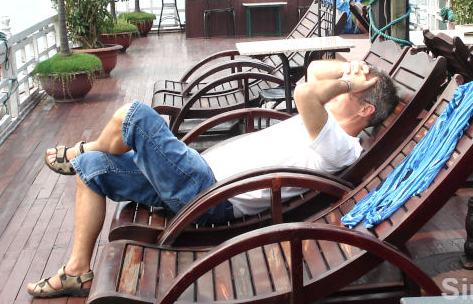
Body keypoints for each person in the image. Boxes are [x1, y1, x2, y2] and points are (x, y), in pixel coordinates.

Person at [26, 58, 400, 298]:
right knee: (92, 169)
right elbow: (316, 70)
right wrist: (354, 69)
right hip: (197, 176)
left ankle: (82, 148)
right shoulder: (326, 123)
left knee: (134, 115)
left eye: (356, 88)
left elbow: (305, 93)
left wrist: (349, 84)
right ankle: (77, 270)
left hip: (209, 194)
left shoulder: (342, 146)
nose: (345, 81)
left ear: (365, 109)